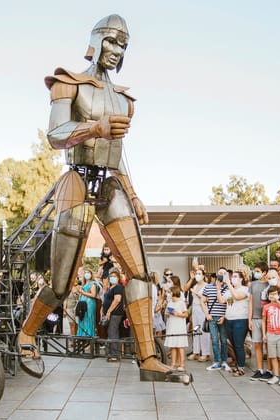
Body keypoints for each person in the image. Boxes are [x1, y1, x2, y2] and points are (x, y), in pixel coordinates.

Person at [15, 14, 176, 382]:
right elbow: (56, 134)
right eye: (111, 41)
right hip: (76, 181)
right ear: (96, 40)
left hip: (111, 183)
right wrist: (95, 127)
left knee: (139, 273)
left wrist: (132, 194)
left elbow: (118, 153)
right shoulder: (67, 83)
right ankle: (27, 333)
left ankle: (148, 357)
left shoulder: (123, 99)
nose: (116, 50)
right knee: (62, 284)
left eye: (123, 45)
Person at [221, 269, 250, 376]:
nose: (233, 279)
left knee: (238, 344)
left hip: (241, 319)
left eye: (236, 277)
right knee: (233, 344)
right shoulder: (228, 290)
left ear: (241, 279)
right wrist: (219, 287)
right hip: (229, 320)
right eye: (232, 277)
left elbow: (237, 297)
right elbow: (221, 300)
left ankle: (241, 367)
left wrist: (229, 284)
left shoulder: (245, 289)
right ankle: (238, 364)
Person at [262, 285, 280, 386]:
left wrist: (278, 302)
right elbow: (264, 320)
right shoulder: (266, 307)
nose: (273, 296)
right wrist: (264, 334)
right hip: (270, 333)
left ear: (279, 294)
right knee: (273, 356)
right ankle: (275, 375)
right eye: (271, 294)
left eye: (275, 294)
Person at [204, 268, 230, 371]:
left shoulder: (228, 287)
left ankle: (224, 361)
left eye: (224, 273)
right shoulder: (208, 286)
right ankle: (217, 361)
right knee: (214, 340)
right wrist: (207, 314)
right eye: (220, 273)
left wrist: (224, 316)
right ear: (216, 274)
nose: (222, 275)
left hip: (223, 317)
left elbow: (229, 303)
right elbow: (202, 301)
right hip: (212, 317)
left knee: (224, 340)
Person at [248, 262, 269, 380]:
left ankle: (270, 370)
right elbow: (250, 302)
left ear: (264, 272)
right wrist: (249, 319)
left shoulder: (270, 284)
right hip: (255, 317)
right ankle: (259, 369)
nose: (256, 273)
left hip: (267, 318)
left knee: (268, 345)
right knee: (257, 343)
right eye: (255, 271)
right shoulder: (253, 284)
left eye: (258, 271)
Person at [102, 268, 124, 361]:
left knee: (113, 332)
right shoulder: (110, 287)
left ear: (118, 278)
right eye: (111, 276)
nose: (112, 278)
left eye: (114, 277)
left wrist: (109, 311)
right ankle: (111, 352)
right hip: (109, 313)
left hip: (115, 313)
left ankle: (115, 354)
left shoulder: (118, 287)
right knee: (110, 332)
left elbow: (117, 300)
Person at [164, 285, 188, 370]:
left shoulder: (181, 303)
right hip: (171, 325)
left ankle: (182, 364)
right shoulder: (170, 303)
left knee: (180, 345)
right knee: (173, 345)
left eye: (170, 292)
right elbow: (166, 313)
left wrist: (179, 314)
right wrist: (167, 313)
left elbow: (186, 314)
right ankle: (173, 364)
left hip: (179, 325)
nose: (169, 294)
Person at [76, 268, 98, 337]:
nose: (86, 274)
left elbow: (93, 295)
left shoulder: (93, 284)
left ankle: (89, 335)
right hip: (82, 303)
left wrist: (82, 292)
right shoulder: (84, 284)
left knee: (88, 318)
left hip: (89, 304)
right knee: (82, 318)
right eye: (85, 273)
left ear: (91, 274)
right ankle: (82, 335)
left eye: (88, 272)